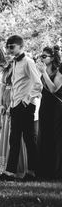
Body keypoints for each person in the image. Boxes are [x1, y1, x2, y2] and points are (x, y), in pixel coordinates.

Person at [0, 35, 42, 181]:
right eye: (8, 46)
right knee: (14, 139)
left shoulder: (28, 62)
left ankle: (33, 172)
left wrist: (27, 100)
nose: (9, 49)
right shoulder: (14, 63)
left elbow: (38, 85)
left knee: (29, 139)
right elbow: (16, 86)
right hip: (15, 106)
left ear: (21, 47)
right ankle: (10, 172)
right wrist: (11, 104)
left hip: (26, 106)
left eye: (12, 47)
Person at [35, 46, 62, 179]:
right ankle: (44, 171)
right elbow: (42, 89)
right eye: (41, 56)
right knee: (43, 135)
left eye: (44, 56)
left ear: (52, 58)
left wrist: (44, 73)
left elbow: (53, 89)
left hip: (56, 108)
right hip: (44, 106)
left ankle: (56, 171)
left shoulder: (58, 72)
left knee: (55, 137)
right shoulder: (42, 72)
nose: (42, 58)